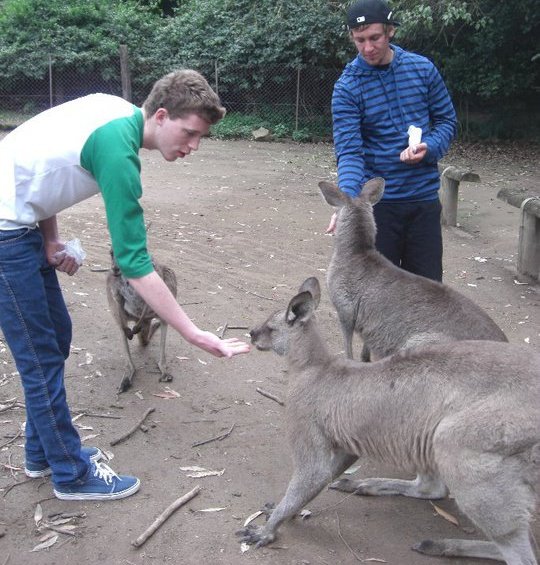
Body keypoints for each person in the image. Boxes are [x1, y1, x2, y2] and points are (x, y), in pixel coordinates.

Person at [0, 69, 250, 501]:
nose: (193, 146)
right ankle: (71, 474)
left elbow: (37, 173)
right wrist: (192, 332)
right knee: (39, 356)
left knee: (55, 339)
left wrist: (50, 238)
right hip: (6, 233)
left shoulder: (117, 112)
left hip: (19, 224)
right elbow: (134, 263)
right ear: (162, 115)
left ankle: (44, 452)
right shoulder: (119, 153)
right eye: (189, 133)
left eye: (200, 138)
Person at [329, 0, 458, 281]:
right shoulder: (347, 87)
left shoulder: (422, 70)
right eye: (359, 39)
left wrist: (430, 148)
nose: (367, 48)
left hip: (423, 202)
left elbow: (447, 122)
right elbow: (350, 153)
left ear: (390, 32)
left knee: (428, 295)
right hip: (379, 210)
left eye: (374, 37)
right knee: (381, 298)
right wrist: (348, 204)